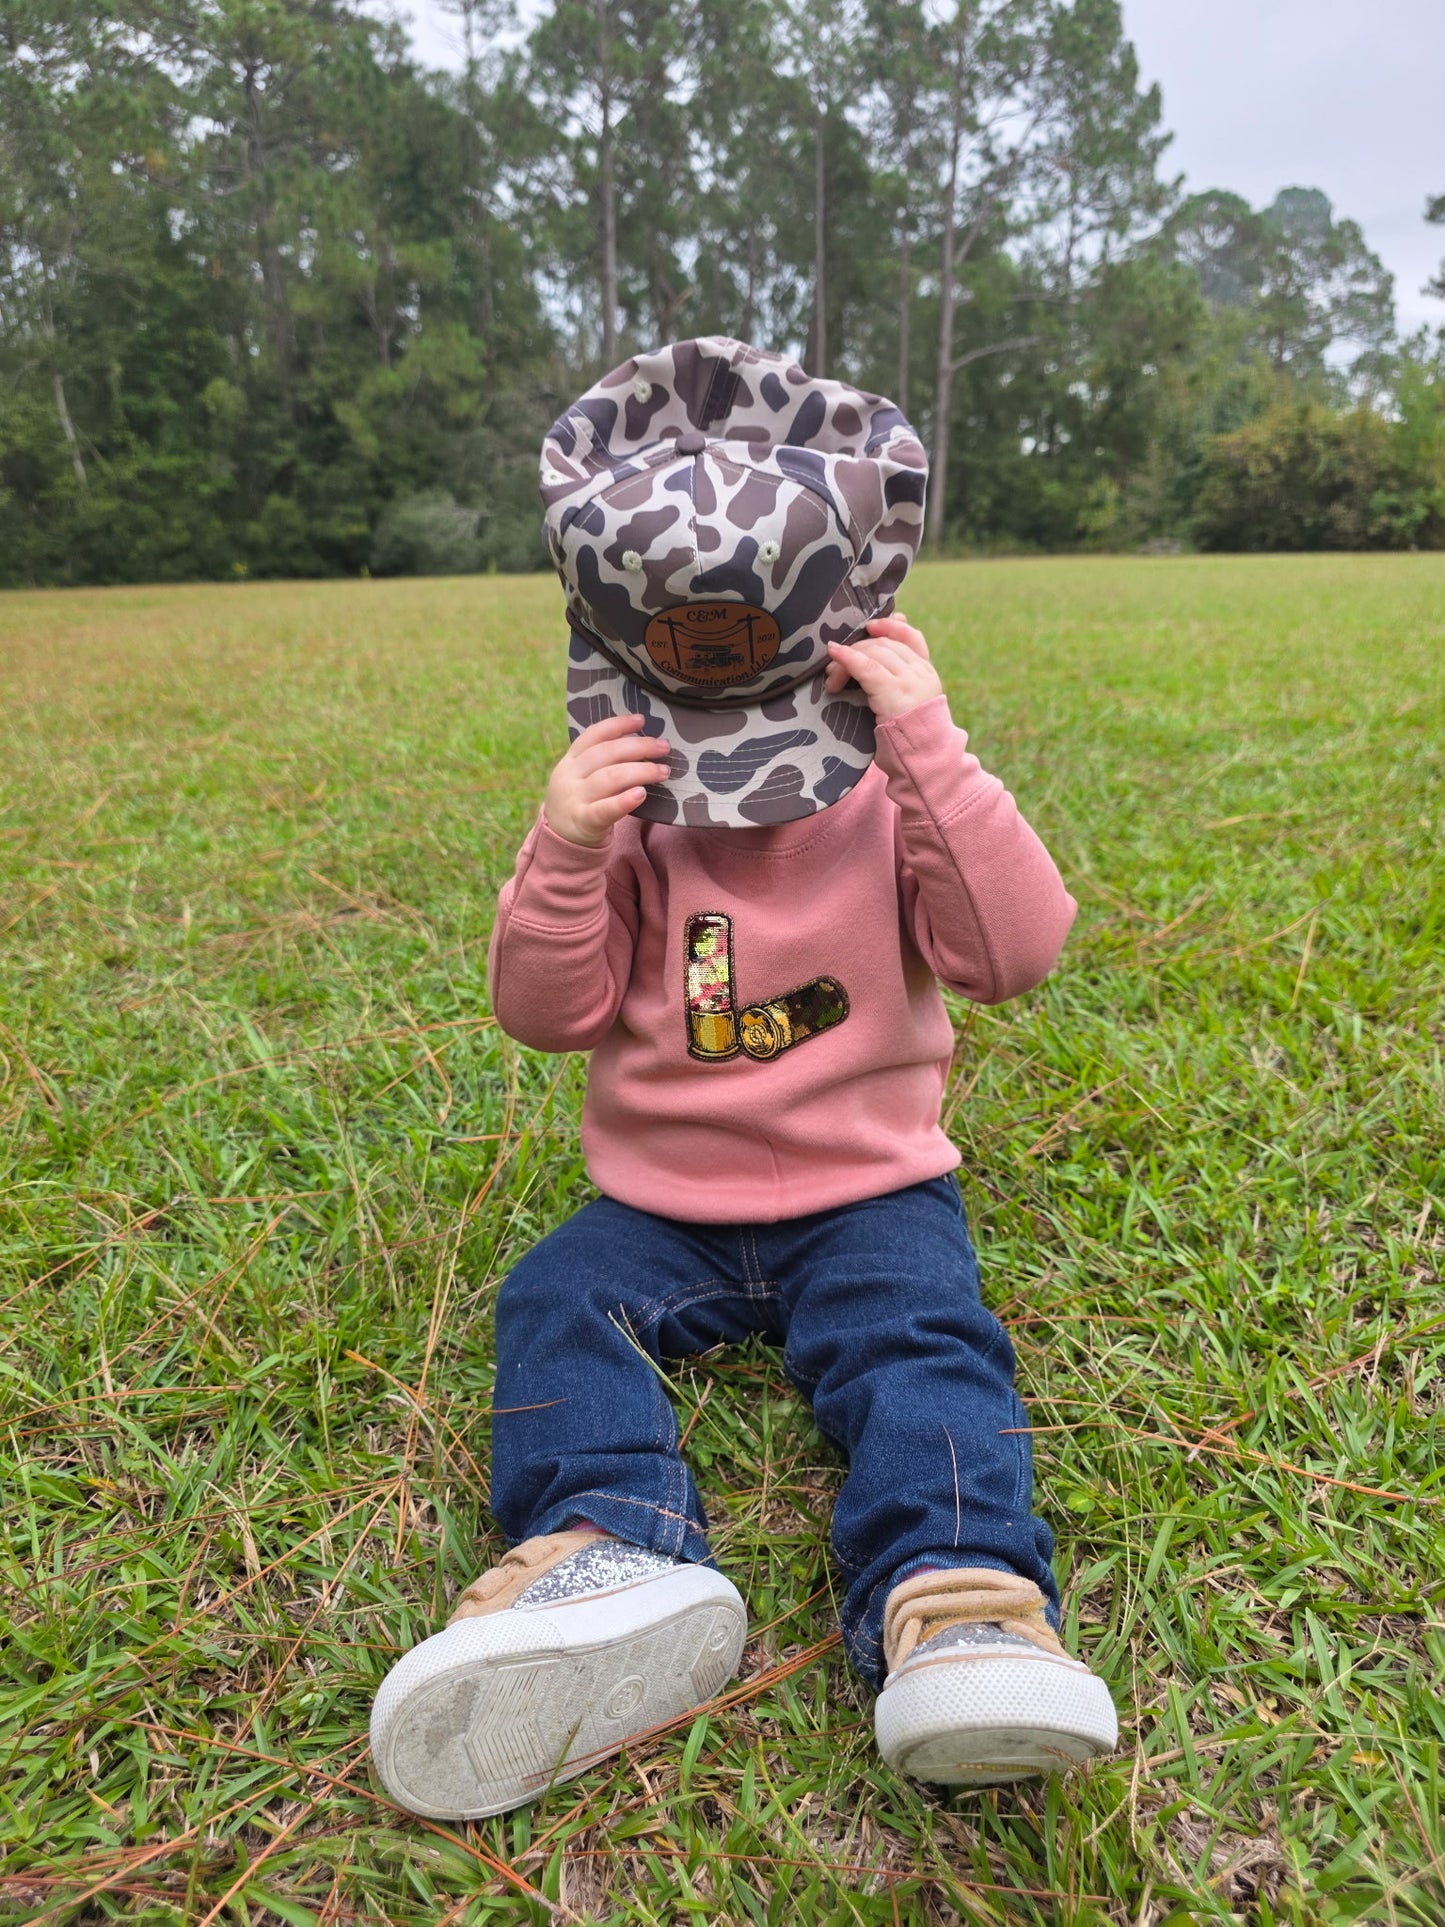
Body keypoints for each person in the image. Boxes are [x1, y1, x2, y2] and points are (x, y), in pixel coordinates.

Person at [369, 337, 1118, 1821]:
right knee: (556, 1299)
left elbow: (1014, 951)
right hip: (661, 1199)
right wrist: (568, 845)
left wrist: (928, 750)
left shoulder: (895, 788)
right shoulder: (638, 803)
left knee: (924, 1345)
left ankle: (960, 1602)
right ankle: (602, 1544)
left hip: (869, 1187)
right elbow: (547, 1009)